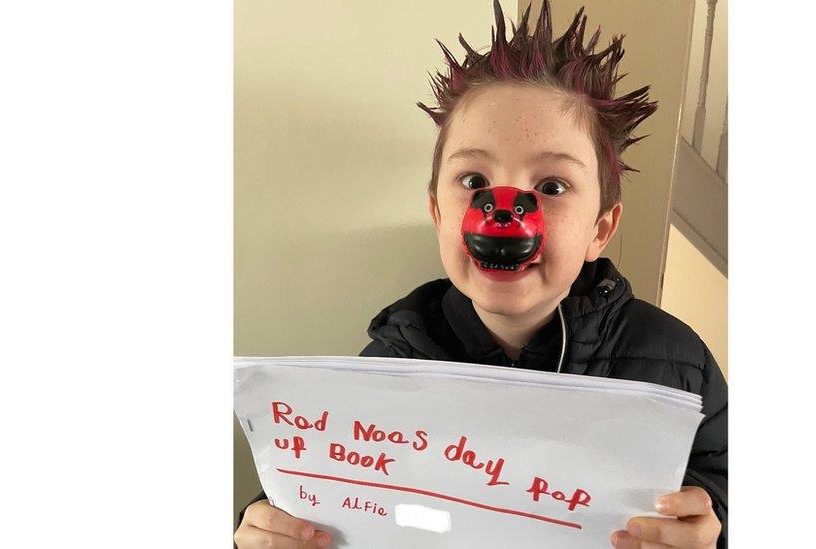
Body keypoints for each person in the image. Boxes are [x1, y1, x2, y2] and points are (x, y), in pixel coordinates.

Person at [234, 1, 727, 548]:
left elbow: (728, 480)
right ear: (440, 214)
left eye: (552, 187)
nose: (503, 211)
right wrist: (272, 522)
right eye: (474, 180)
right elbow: (333, 490)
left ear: (600, 230)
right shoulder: (390, 366)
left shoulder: (677, 362)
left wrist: (712, 528)